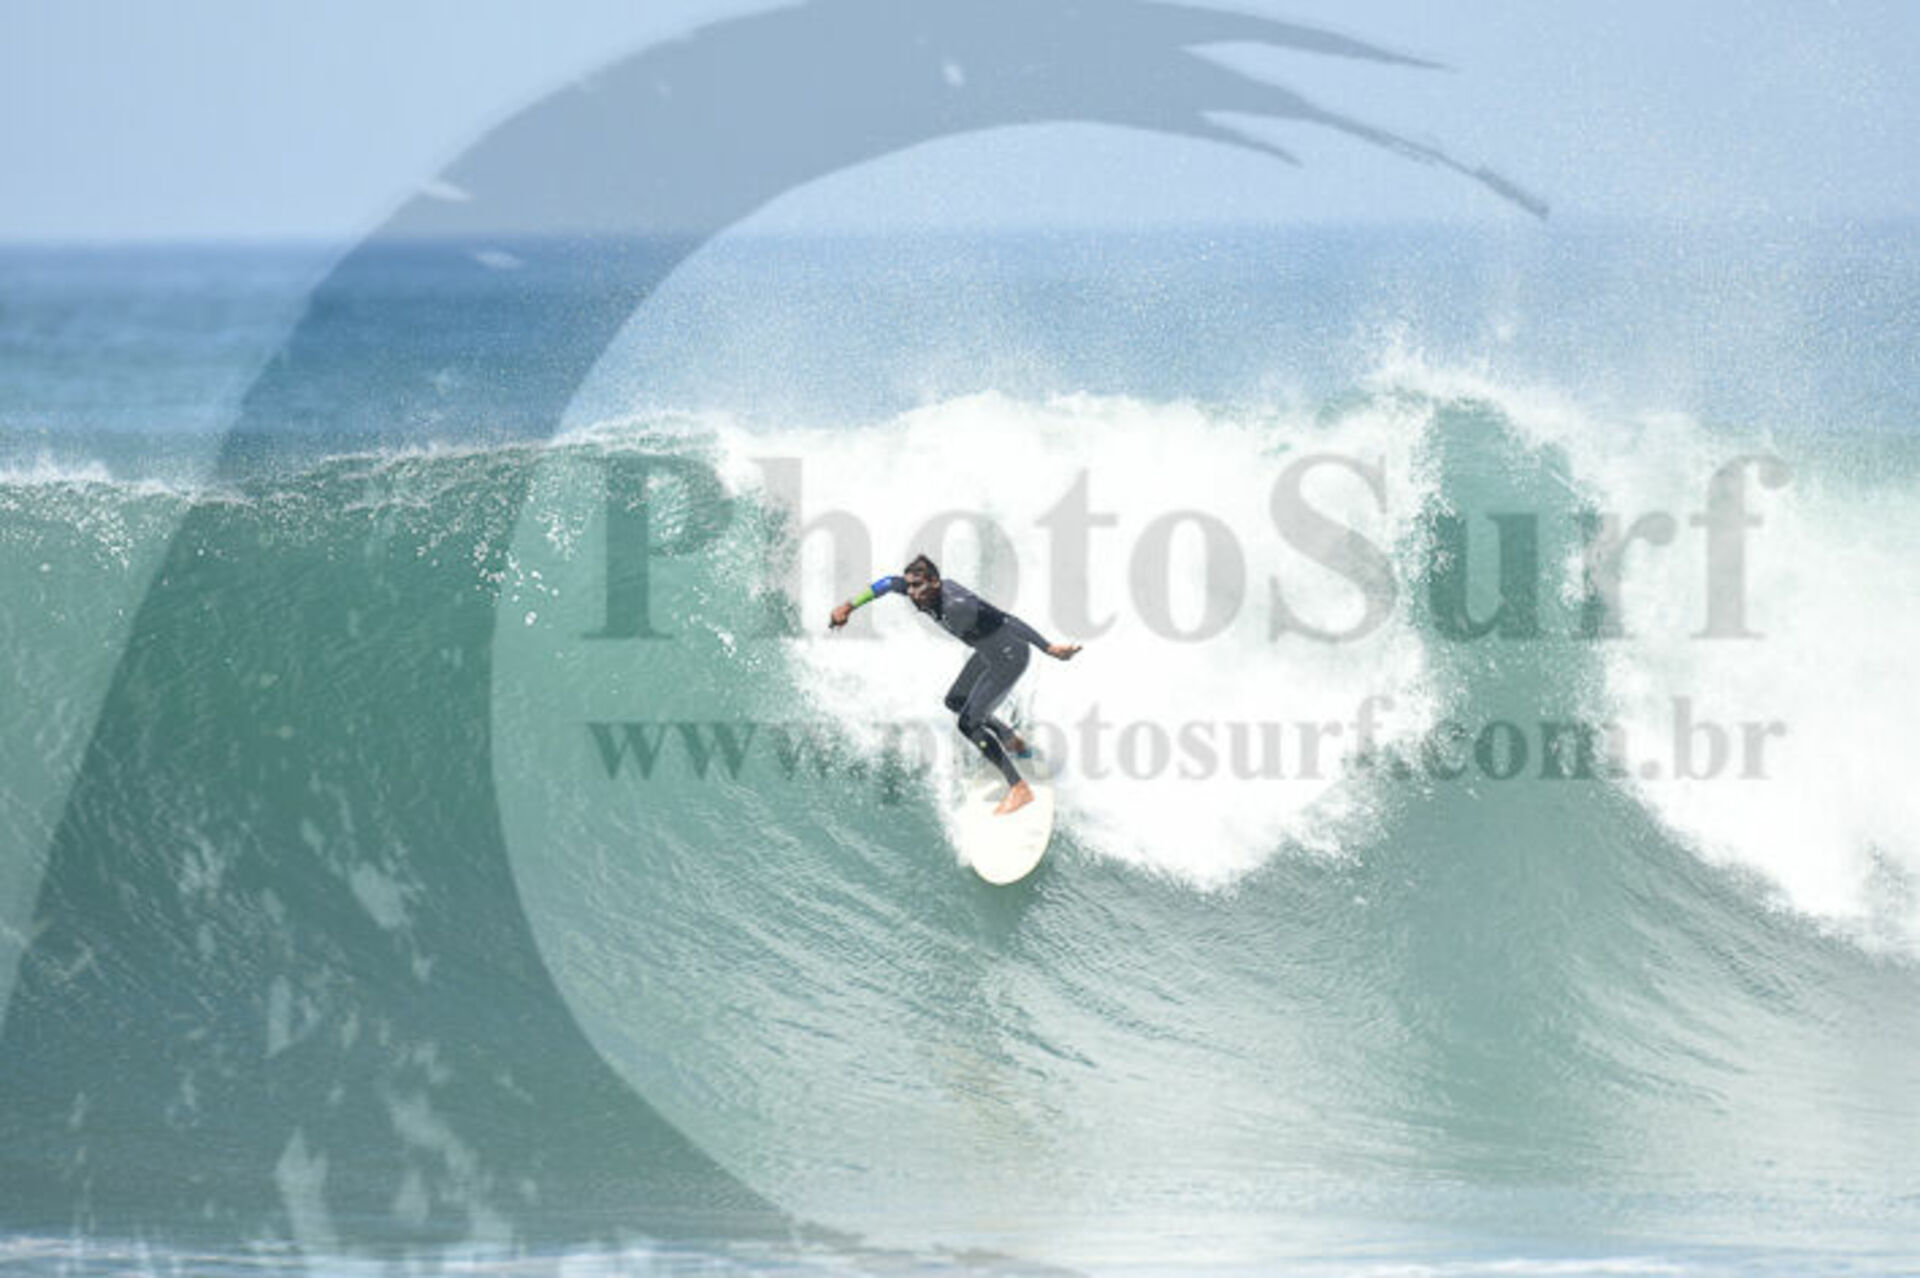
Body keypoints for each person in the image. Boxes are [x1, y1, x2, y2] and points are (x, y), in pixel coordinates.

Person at [829, 554, 1080, 815]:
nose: (912, 593)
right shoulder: (919, 592)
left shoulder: (958, 604)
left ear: (935, 583)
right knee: (955, 701)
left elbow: (1008, 621)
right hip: (987, 652)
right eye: (910, 586)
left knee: (968, 724)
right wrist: (849, 607)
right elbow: (886, 584)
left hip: (1010, 657)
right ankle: (1011, 740)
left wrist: (1048, 647)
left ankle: (1018, 788)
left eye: (917, 586)